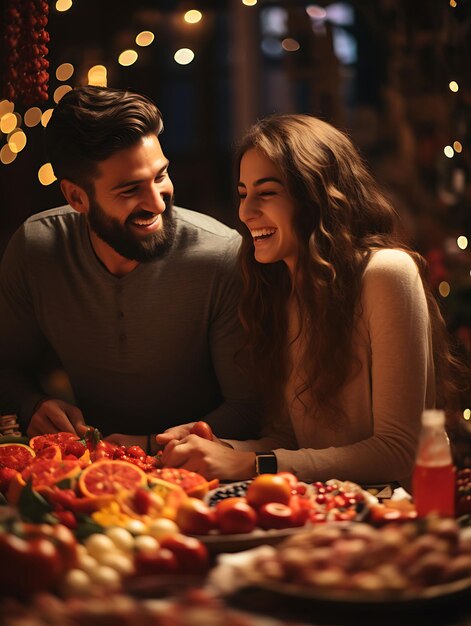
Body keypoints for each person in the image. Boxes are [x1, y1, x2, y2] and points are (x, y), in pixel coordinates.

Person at [157, 113, 464, 489]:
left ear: (316, 196)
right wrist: (218, 448)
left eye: (266, 192)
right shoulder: (279, 292)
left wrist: (252, 463)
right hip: (323, 513)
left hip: (396, 523)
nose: (246, 212)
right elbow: (292, 445)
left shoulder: (386, 273)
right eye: (242, 194)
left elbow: (398, 452)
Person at [0, 85, 260, 450]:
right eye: (129, 190)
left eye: (160, 176)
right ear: (77, 197)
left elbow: (248, 408)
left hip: (202, 465)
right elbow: (6, 370)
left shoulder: (220, 255)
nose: (156, 203)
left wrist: (149, 444)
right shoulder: (35, 249)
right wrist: (33, 405)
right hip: (85, 468)